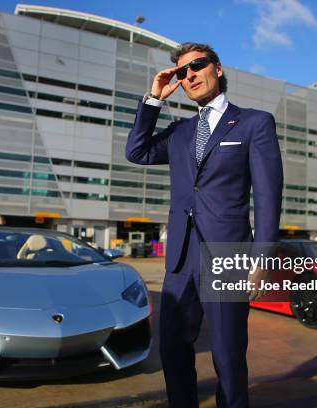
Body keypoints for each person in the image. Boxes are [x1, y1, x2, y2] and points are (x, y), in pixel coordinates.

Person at [126, 42, 283, 407]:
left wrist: (262, 258)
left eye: (196, 65)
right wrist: (154, 99)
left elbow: (268, 196)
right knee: (172, 350)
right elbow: (137, 152)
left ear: (218, 68)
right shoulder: (180, 131)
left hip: (227, 254)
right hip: (180, 257)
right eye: (182, 72)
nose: (189, 75)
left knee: (228, 357)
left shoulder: (254, 123)